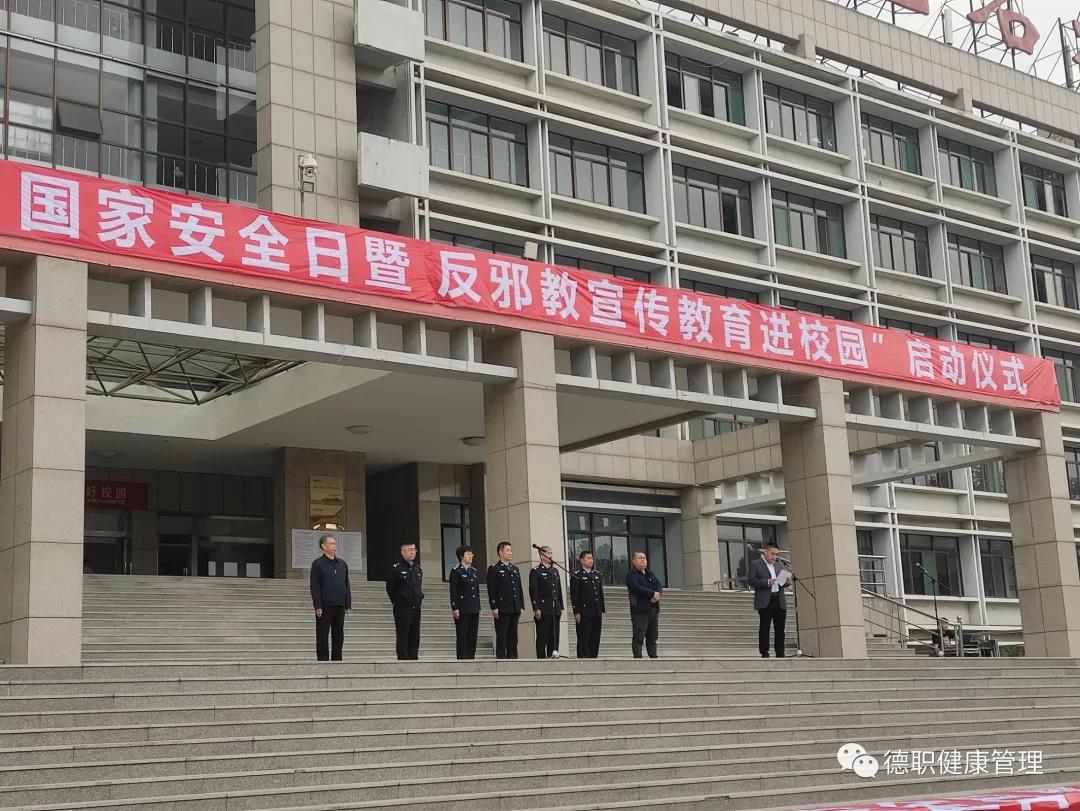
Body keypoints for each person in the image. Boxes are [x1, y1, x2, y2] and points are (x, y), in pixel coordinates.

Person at [309, 534, 351, 661]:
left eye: (335, 543)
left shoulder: (342, 564)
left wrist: (348, 603)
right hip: (325, 605)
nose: (334, 546)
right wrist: (317, 605)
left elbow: (346, 584)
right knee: (322, 634)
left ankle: (337, 659)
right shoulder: (318, 564)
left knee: (338, 634)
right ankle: (323, 659)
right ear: (323, 546)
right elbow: (315, 586)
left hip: (340, 604)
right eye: (331, 543)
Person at [748, 542, 790, 658]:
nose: (774, 557)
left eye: (776, 554)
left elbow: (783, 583)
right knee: (765, 627)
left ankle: (780, 653)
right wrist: (767, 582)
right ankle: (764, 652)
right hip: (766, 600)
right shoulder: (756, 564)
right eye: (772, 554)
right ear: (765, 552)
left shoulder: (779, 565)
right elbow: (751, 580)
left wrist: (787, 581)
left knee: (780, 629)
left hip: (779, 599)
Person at [386, 541, 424, 660]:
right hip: (402, 607)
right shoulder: (396, 568)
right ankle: (403, 659)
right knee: (403, 634)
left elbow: (418, 587)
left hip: (416, 606)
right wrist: (398, 601)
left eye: (414, 550)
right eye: (409, 550)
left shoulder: (417, 569)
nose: (412, 552)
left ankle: (414, 657)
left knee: (415, 634)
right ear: (402, 552)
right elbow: (390, 588)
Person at [486, 541, 524, 659]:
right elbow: (492, 589)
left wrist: (521, 605)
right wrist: (494, 607)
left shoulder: (514, 569)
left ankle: (513, 657)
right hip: (502, 607)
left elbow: (519, 588)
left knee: (513, 636)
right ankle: (502, 659)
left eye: (511, 550)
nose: (510, 553)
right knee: (502, 635)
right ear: (500, 552)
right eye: (507, 550)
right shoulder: (494, 569)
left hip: (514, 606)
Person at [529, 545, 564, 659]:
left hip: (555, 608)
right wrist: (536, 608)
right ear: (541, 555)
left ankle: (553, 656)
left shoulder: (554, 570)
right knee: (542, 637)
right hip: (544, 608)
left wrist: (560, 606)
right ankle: (541, 659)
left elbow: (558, 590)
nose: (550, 555)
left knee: (554, 637)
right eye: (548, 553)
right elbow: (534, 591)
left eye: (551, 553)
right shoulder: (536, 571)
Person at [626, 551, 662, 659]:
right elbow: (636, 588)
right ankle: (638, 657)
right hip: (639, 611)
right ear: (633, 561)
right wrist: (652, 593)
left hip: (653, 609)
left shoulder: (650, 574)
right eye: (640, 558)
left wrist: (657, 594)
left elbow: (659, 585)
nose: (643, 560)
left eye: (644, 558)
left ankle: (653, 655)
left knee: (653, 636)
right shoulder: (631, 575)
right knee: (639, 636)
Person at [570, 550, 605, 658]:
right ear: (582, 560)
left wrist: (602, 609)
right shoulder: (577, 575)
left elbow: (600, 593)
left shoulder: (596, 574)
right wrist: (576, 612)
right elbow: (575, 595)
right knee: (584, 638)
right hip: (584, 612)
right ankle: (583, 659)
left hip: (596, 612)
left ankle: (594, 658)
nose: (591, 560)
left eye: (592, 558)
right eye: (588, 558)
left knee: (595, 638)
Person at [449, 545, 481, 659]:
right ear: (461, 556)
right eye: (468, 554)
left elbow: (476, 591)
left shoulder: (474, 571)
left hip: (473, 607)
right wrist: (455, 608)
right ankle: (462, 658)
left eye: (471, 554)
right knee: (462, 635)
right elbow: (453, 591)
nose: (471, 556)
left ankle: (471, 657)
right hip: (462, 608)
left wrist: (478, 607)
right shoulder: (456, 571)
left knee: (473, 635)